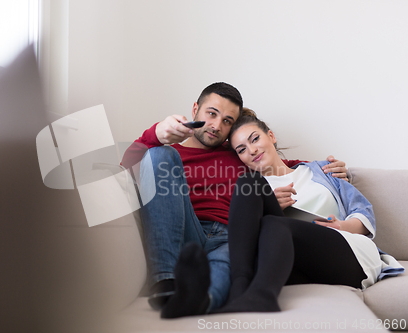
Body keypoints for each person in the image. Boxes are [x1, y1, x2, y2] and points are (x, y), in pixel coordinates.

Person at [121, 83, 348, 318]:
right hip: (186, 228)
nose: (217, 126)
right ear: (195, 109)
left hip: (232, 235)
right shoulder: (172, 155)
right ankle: (166, 283)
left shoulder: (239, 152)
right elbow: (125, 170)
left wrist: (328, 169)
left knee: (228, 263)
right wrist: (156, 134)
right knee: (159, 153)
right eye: (212, 114)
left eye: (227, 121)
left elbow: (281, 165)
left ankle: (199, 301)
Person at [199, 110, 404, 314]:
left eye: (255, 139)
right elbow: (248, 238)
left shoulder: (322, 170)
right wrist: (268, 206)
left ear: (271, 136)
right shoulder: (253, 193)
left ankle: (260, 296)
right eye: (242, 149)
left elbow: (363, 210)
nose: (251, 150)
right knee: (249, 186)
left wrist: (342, 225)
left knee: (274, 223)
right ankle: (240, 289)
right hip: (295, 262)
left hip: (345, 251)